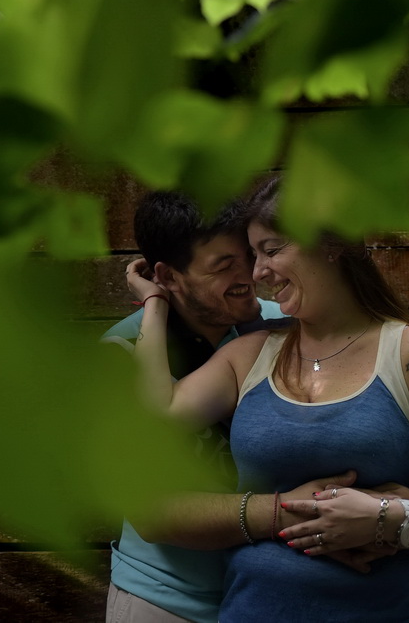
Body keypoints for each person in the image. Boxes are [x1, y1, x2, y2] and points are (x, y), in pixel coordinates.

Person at [126, 176, 409, 622]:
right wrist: (156, 302)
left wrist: (388, 516)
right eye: (253, 256)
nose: (257, 273)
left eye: (271, 251)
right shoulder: (250, 354)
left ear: (330, 244)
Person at [103, 190, 333, 623]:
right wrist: (290, 510)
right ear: (168, 277)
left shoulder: (286, 324)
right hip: (168, 601)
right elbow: (149, 512)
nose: (249, 273)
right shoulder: (118, 354)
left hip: (281, 594)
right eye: (223, 265)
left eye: (247, 255)